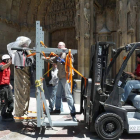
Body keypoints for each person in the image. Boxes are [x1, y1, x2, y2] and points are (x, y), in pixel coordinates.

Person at [48, 42, 77, 121]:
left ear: (64, 46)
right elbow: (52, 60)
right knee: (58, 94)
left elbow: (71, 60)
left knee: (68, 95)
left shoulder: (68, 53)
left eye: (61, 45)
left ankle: (73, 111)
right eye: (58, 46)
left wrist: (66, 51)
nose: (59, 47)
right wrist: (44, 57)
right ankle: (57, 109)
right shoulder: (58, 55)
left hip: (66, 77)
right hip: (60, 77)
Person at [0, 54, 14, 121]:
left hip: (7, 86)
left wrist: (9, 84)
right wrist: (10, 63)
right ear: (6, 60)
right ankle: (3, 115)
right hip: (2, 87)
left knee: (11, 100)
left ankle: (9, 114)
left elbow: (7, 77)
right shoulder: (1, 65)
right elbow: (2, 68)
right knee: (4, 102)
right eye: (8, 59)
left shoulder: (8, 67)